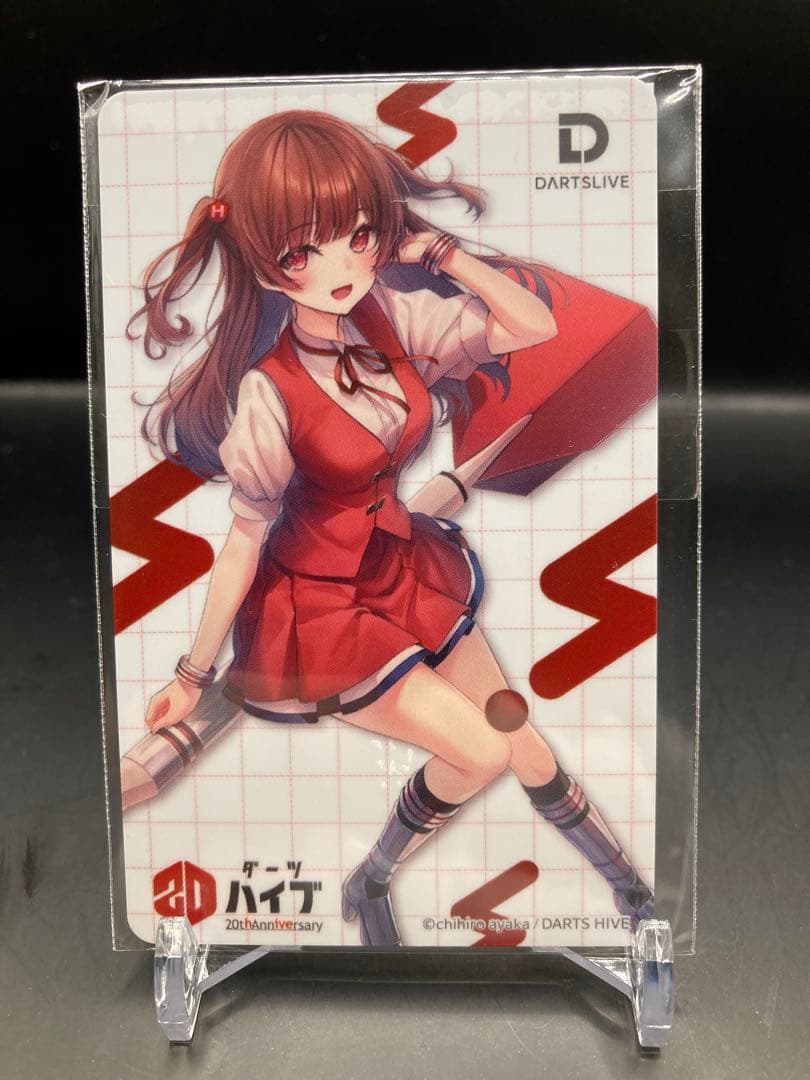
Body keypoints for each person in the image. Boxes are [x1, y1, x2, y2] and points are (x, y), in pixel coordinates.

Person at [129, 110, 653, 945]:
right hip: (317, 609)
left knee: (517, 736)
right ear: (264, 264)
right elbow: (243, 540)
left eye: (359, 235)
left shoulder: (391, 321)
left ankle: (633, 896)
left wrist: (443, 256)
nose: (341, 267)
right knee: (480, 751)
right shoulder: (268, 392)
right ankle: (372, 877)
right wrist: (193, 675)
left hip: (401, 565)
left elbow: (534, 327)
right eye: (302, 253)